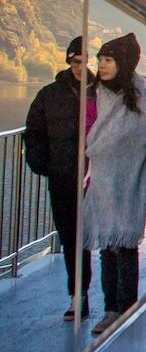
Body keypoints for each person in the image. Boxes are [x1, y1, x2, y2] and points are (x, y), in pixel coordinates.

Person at [83, 32, 146, 336]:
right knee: (108, 243)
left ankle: (126, 307)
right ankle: (111, 309)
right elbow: (89, 130)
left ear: (123, 62)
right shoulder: (94, 92)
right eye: (100, 60)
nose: (102, 65)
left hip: (135, 177)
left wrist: (134, 157)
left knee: (126, 242)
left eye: (108, 60)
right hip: (102, 178)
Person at [23, 37, 94, 322]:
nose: (79, 67)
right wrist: (44, 165)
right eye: (75, 62)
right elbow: (34, 131)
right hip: (62, 178)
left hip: (92, 178)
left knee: (92, 238)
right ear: (68, 61)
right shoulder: (49, 95)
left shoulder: (99, 91)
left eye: (83, 62)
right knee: (71, 239)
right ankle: (79, 295)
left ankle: (108, 302)